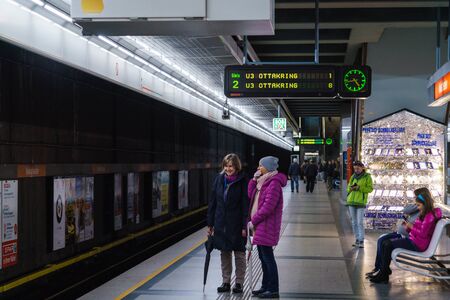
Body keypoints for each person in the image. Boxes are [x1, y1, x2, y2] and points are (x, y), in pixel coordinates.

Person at [370, 188, 442, 283]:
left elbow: (423, 234)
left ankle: (384, 274)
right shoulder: (425, 213)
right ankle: (384, 272)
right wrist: (408, 226)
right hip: (414, 240)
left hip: (418, 244)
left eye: (419, 205)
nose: (418, 207)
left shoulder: (429, 215)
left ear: (425, 203)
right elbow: (418, 228)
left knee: (387, 244)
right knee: (385, 243)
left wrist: (411, 227)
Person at [207, 153, 249, 293]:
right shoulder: (219, 179)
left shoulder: (242, 181)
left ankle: (239, 283)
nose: (228, 168)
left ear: (236, 166)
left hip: (236, 223)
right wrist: (210, 224)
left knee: (239, 253)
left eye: (230, 166)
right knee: (224, 253)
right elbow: (213, 202)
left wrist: (245, 225)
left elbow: (245, 205)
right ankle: (226, 282)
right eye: (226, 165)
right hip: (221, 223)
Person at [248, 156, 287, 299]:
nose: (258, 168)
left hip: (267, 226)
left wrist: (254, 220)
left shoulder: (274, 184)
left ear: (268, 167)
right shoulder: (263, 181)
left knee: (268, 258)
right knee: (263, 258)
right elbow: (250, 195)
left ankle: (273, 289)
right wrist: (253, 180)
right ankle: (265, 286)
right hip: (260, 226)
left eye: (260, 166)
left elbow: (268, 207)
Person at [365, 204, 420, 278]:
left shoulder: (421, 212)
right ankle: (380, 268)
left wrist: (418, 205)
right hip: (402, 234)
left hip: (405, 236)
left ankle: (382, 269)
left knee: (384, 242)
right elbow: (405, 210)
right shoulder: (416, 210)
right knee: (381, 240)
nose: (415, 201)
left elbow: (417, 229)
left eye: (417, 200)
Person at [346, 161, 373, 248]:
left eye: (358, 168)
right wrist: (351, 188)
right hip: (351, 201)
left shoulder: (367, 177)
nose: (356, 170)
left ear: (362, 168)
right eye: (355, 168)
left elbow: (370, 189)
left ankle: (361, 240)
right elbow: (348, 188)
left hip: (360, 202)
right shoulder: (353, 176)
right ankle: (357, 239)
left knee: (359, 222)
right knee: (354, 222)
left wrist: (359, 188)